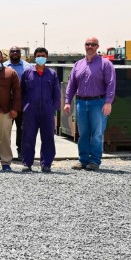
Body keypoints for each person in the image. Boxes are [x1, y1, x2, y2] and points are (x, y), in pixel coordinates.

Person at [64, 37, 116, 171]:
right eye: (87, 44)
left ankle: (94, 161)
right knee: (83, 133)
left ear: (97, 47)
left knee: (97, 133)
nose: (90, 47)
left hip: (98, 102)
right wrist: (67, 101)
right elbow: (71, 85)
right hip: (81, 103)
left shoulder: (105, 64)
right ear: (84, 46)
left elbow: (111, 83)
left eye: (93, 44)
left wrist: (108, 102)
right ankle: (83, 160)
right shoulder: (78, 64)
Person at [20, 47, 61, 173]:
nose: (41, 58)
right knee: (28, 137)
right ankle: (27, 163)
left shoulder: (52, 74)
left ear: (47, 57)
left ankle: (46, 164)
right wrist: (24, 107)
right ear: (34, 57)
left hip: (47, 111)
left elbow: (57, 94)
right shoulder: (27, 73)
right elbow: (22, 92)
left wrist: (53, 109)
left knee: (48, 137)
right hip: (30, 112)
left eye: (43, 55)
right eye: (38, 55)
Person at [3, 46, 32, 161]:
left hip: (21, 102)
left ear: (20, 53)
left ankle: (21, 151)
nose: (15, 53)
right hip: (6, 102)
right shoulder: (4, 66)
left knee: (22, 128)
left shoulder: (27, 67)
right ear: (9, 53)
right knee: (5, 129)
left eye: (17, 51)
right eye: (12, 51)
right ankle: (4, 151)